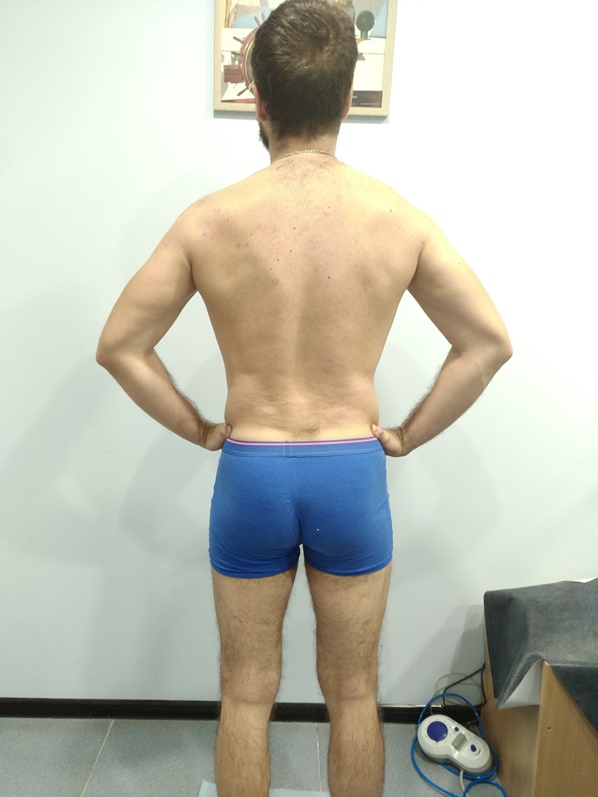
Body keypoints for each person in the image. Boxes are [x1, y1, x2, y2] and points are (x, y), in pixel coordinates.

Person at [96, 1, 512, 795]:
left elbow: (119, 345)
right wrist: (408, 434)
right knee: (353, 693)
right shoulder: (399, 219)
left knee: (246, 691)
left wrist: (199, 427)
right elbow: (488, 343)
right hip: (349, 470)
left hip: (251, 469)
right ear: (349, 97)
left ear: (258, 99)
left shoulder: (207, 221)